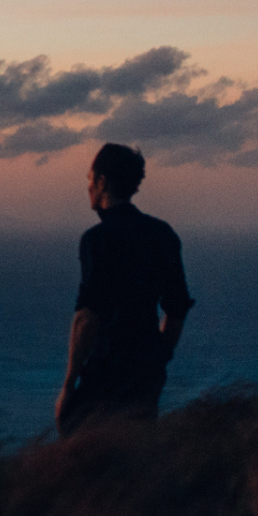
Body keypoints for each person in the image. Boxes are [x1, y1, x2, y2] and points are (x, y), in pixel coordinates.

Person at [56, 142, 194, 436]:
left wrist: (68, 386)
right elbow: (177, 307)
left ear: (103, 182)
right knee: (137, 452)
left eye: (90, 180)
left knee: (80, 454)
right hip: (146, 373)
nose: (88, 188)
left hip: (106, 371)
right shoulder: (162, 234)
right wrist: (159, 356)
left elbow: (87, 316)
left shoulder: (97, 240)